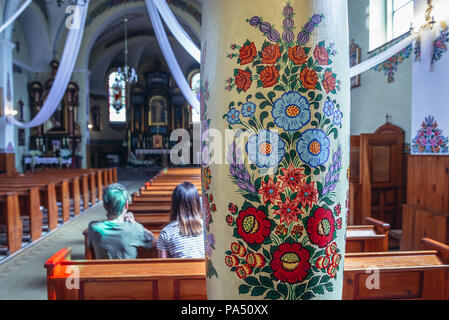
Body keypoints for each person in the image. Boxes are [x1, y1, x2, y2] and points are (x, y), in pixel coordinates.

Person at [88, 183, 156, 259]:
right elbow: (154, 242)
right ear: (126, 204)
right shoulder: (135, 228)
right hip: (128, 271)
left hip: (103, 270)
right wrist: (134, 222)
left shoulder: (93, 227)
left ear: (104, 205)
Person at [157, 182, 205, 258]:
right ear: (197, 203)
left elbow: (163, 265)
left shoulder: (166, 232)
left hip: (181, 270)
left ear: (174, 204)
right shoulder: (207, 227)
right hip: (205, 270)